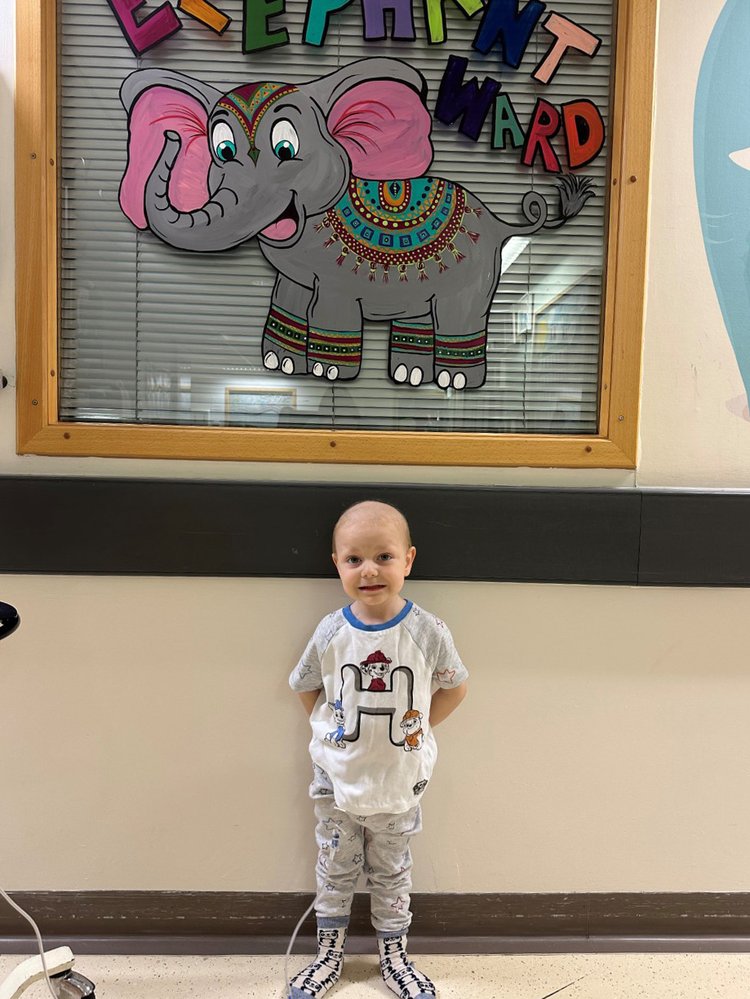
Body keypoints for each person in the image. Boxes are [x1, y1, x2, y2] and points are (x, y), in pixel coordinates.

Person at [288, 500, 468, 999]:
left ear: (408, 561)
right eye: (354, 560)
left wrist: (419, 730)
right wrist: (334, 733)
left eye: (383, 557)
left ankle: (394, 955)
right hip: (336, 779)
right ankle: (329, 953)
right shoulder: (331, 632)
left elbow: (455, 687)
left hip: (398, 776)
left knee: (392, 869)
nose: (369, 570)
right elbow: (304, 685)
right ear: (337, 565)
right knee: (335, 864)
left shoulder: (427, 632)